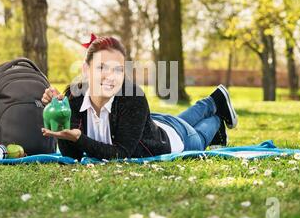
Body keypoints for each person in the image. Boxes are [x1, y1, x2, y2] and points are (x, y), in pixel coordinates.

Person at [41, 34, 238, 161]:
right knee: (180, 120)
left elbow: (121, 154)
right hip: (152, 125)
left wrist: (79, 138)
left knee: (200, 137)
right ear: (86, 69)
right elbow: (73, 155)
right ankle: (213, 101)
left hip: (173, 140)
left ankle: (216, 117)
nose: (110, 76)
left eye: (117, 69)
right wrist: (60, 121)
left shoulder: (132, 98)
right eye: (101, 67)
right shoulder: (74, 97)